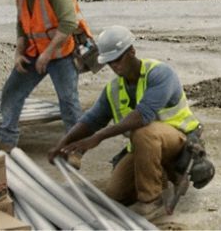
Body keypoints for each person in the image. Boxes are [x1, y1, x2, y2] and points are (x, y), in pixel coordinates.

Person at [49, 26, 203, 219]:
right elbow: (91, 120)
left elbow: (142, 116)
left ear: (131, 51)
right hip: (147, 147)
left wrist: (98, 138)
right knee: (116, 194)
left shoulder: (160, 74)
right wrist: (62, 144)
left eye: (118, 60)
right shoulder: (114, 89)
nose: (115, 67)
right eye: (110, 63)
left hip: (179, 141)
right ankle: (160, 173)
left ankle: (151, 201)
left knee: (143, 131)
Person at [0, 0, 88, 151]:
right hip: (34, 51)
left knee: (68, 100)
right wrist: (19, 53)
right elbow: (21, 22)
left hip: (62, 52)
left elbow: (69, 24)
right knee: (12, 92)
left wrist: (47, 53)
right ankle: (7, 140)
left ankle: (75, 147)